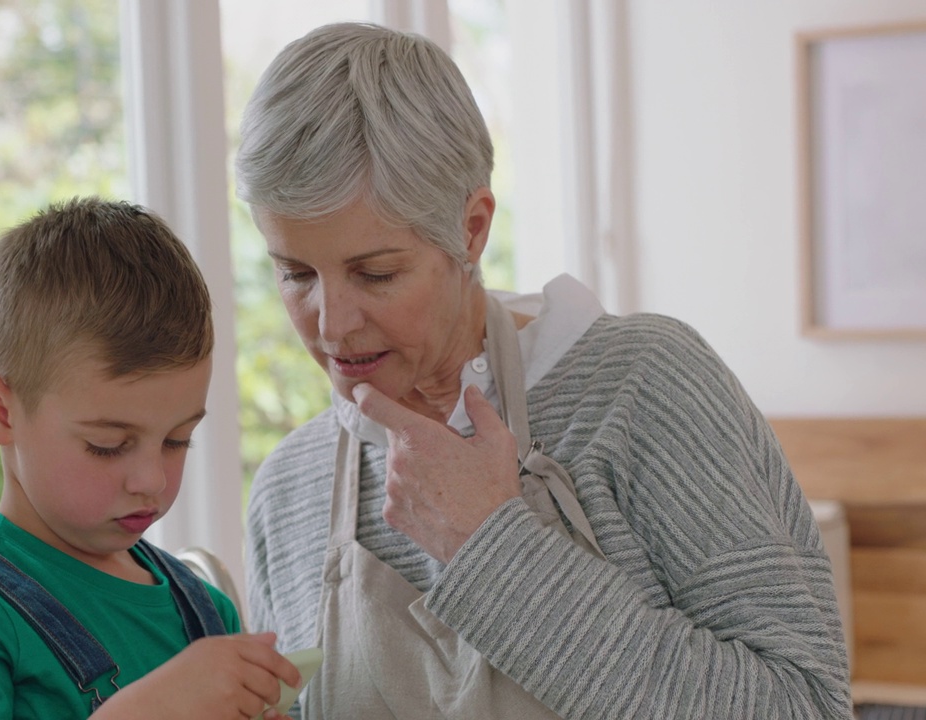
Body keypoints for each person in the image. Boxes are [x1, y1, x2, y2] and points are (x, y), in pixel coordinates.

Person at [236, 22, 852, 719]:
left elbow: (806, 707)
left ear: (471, 229)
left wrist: (494, 550)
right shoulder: (290, 492)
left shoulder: (643, 388)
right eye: (294, 274)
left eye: (375, 273)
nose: (331, 323)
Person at [0, 197, 301, 720]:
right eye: (108, 445)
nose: (151, 479)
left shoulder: (207, 613)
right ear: (0, 412)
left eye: (178, 440)